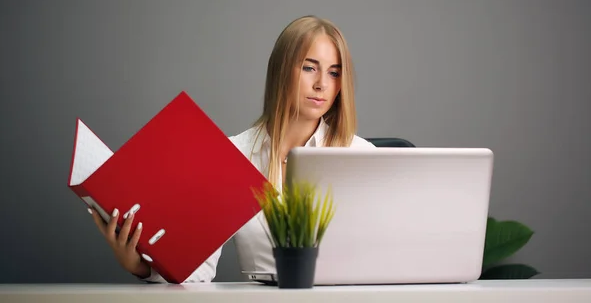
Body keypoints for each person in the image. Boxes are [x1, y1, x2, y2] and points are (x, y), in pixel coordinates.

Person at [89, 15, 376, 283]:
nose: (322, 84)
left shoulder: (361, 157)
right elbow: (196, 272)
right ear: (281, 70)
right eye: (309, 67)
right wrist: (139, 266)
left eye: (335, 73)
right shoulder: (233, 155)